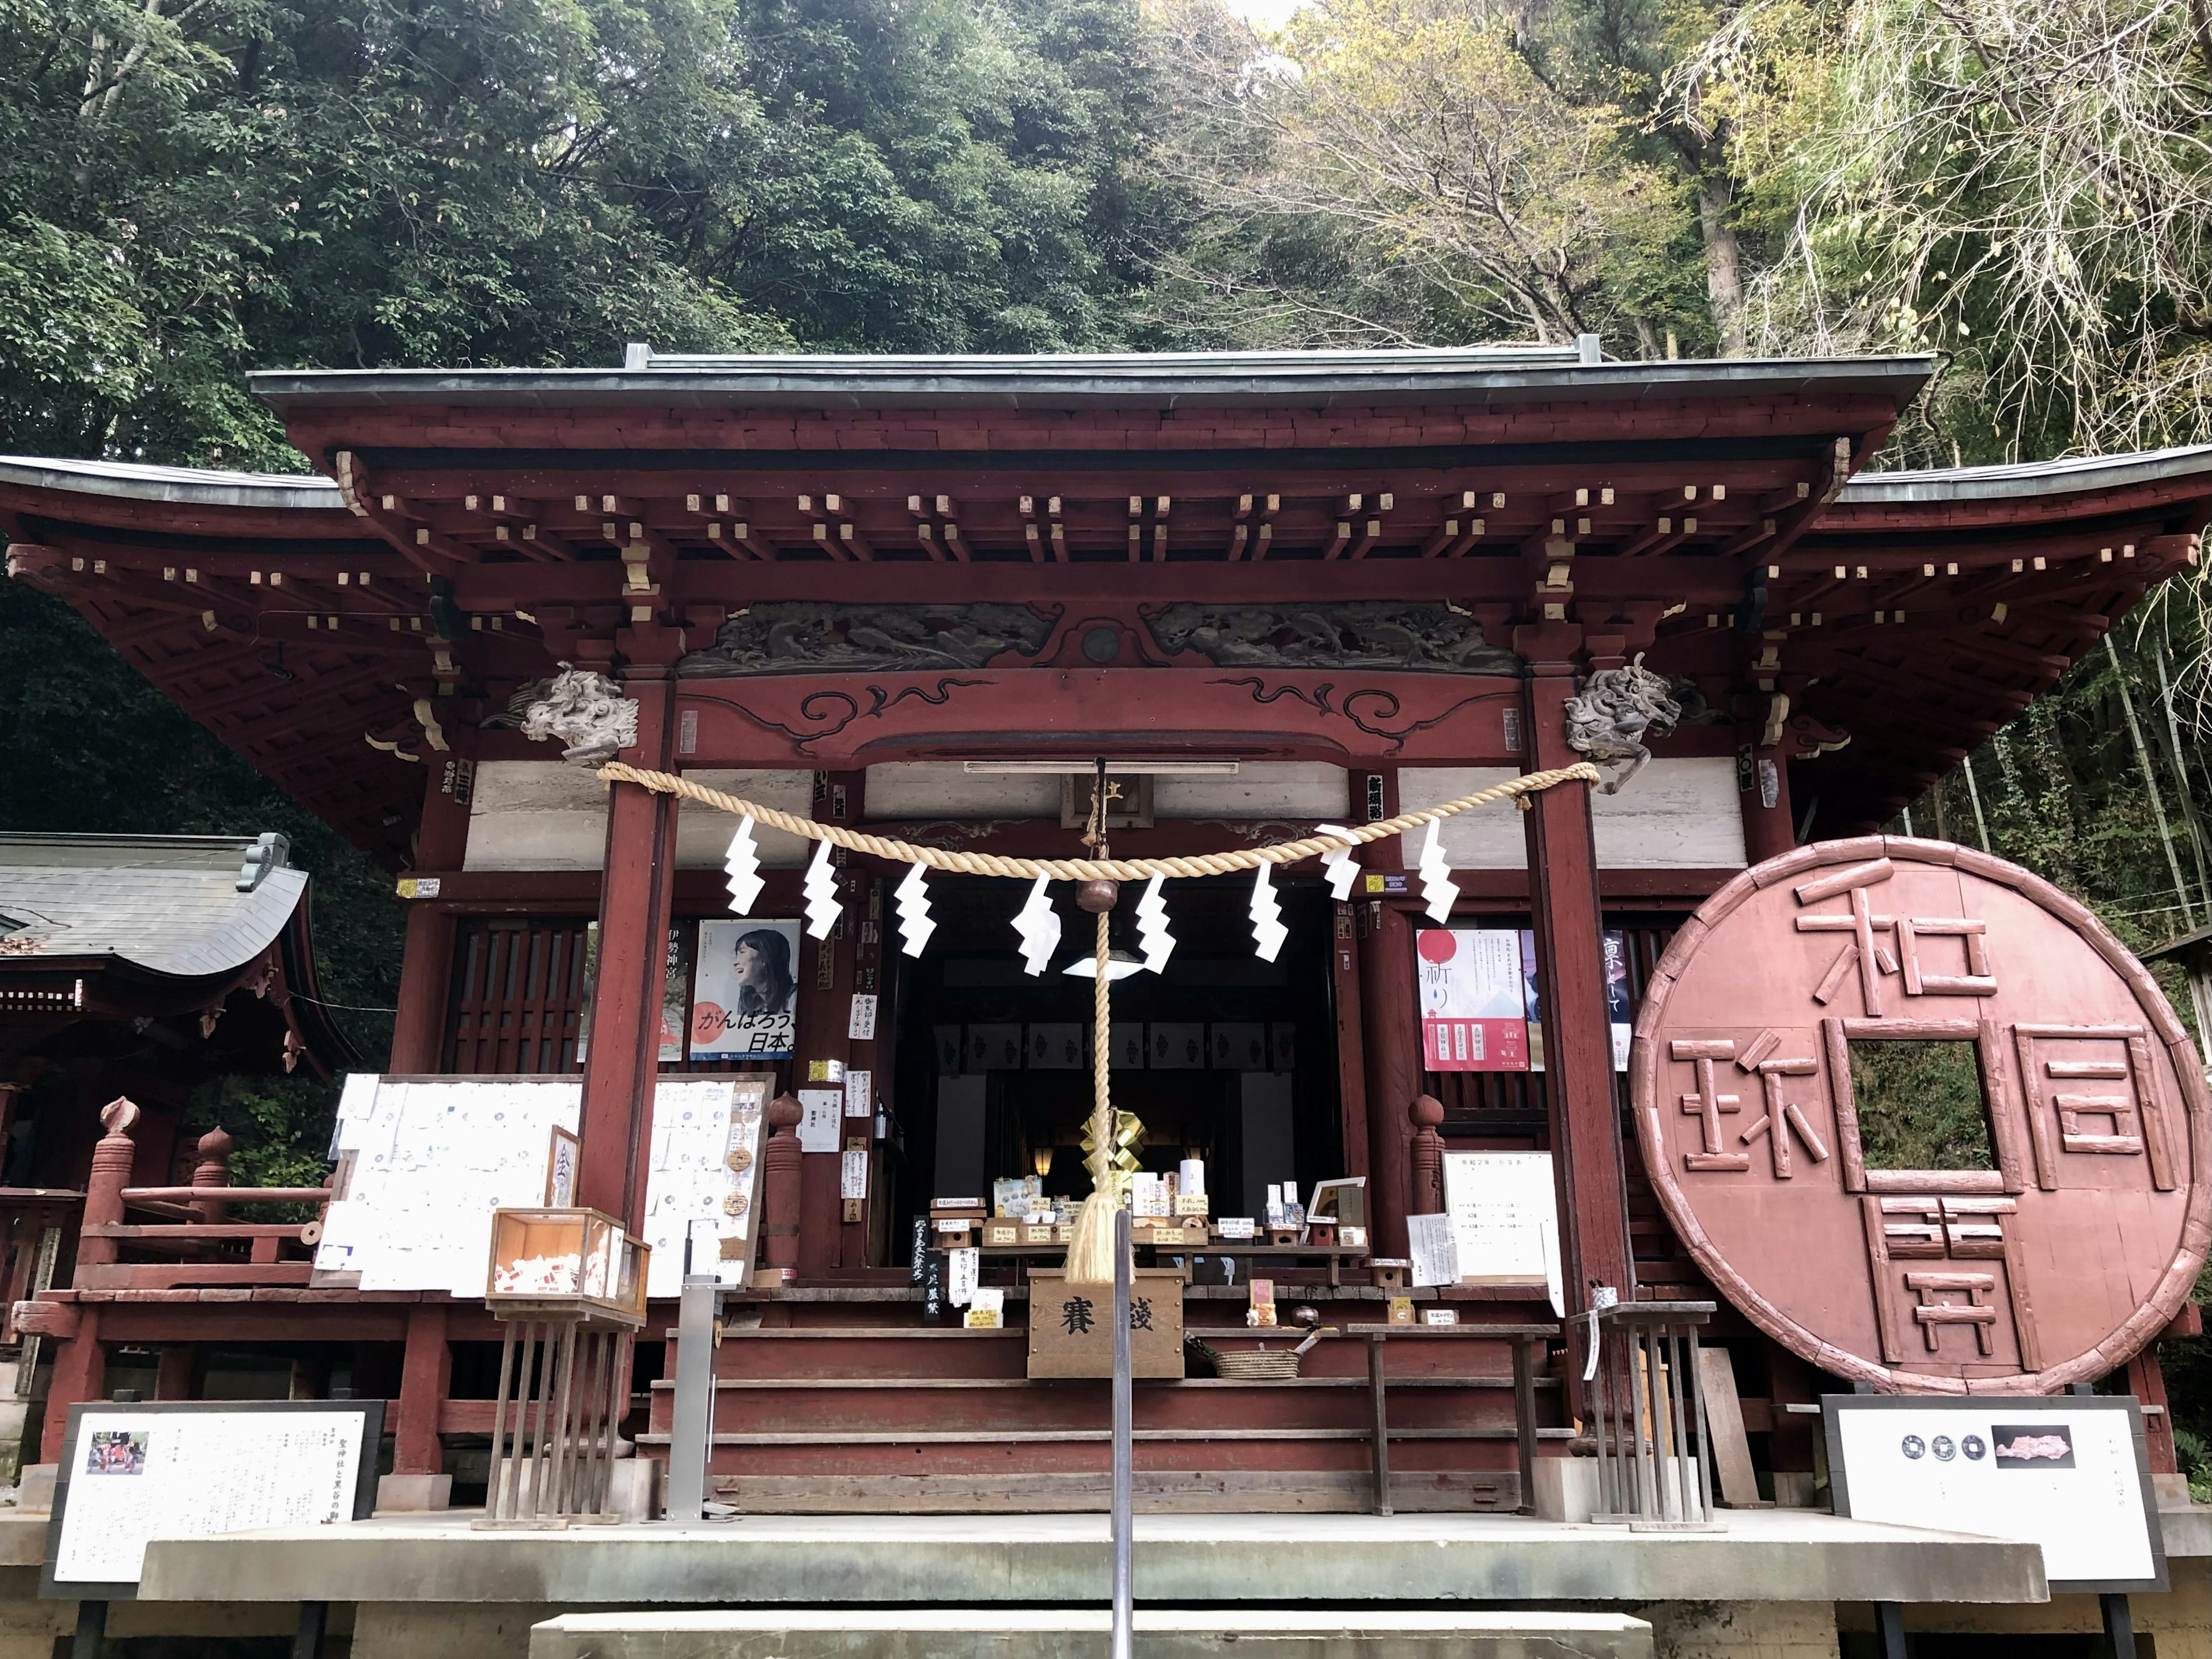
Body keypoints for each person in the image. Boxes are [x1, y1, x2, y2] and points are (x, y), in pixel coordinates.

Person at [733, 928, 796, 1016]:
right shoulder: (748, 1002)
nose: (735, 963)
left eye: (743, 952)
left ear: (765, 956)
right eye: (737, 955)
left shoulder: (794, 998)